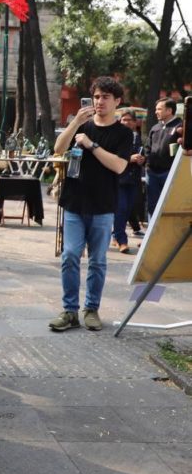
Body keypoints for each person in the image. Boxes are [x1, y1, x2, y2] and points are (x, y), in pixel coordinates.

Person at [49, 77, 131, 333]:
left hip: (103, 205)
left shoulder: (123, 133)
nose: (99, 101)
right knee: (70, 255)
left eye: (106, 97)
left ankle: (91, 308)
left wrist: (91, 145)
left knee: (97, 261)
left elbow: (119, 166)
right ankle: (70, 311)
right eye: (96, 97)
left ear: (117, 102)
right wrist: (74, 122)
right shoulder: (81, 126)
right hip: (74, 201)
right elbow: (58, 149)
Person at [111, 110, 145, 254]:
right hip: (119, 178)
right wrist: (129, 159)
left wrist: (142, 160)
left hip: (133, 179)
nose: (126, 122)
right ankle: (121, 240)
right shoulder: (115, 136)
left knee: (128, 209)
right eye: (124, 119)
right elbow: (112, 155)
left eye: (129, 120)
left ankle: (116, 235)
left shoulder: (138, 137)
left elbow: (143, 154)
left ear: (135, 122)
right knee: (121, 208)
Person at [145, 98, 182, 217]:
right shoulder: (155, 128)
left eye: (159, 109)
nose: (156, 112)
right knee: (152, 206)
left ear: (169, 110)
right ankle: (152, 234)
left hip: (170, 173)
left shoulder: (180, 128)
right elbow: (147, 147)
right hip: (152, 173)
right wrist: (145, 160)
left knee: (168, 206)